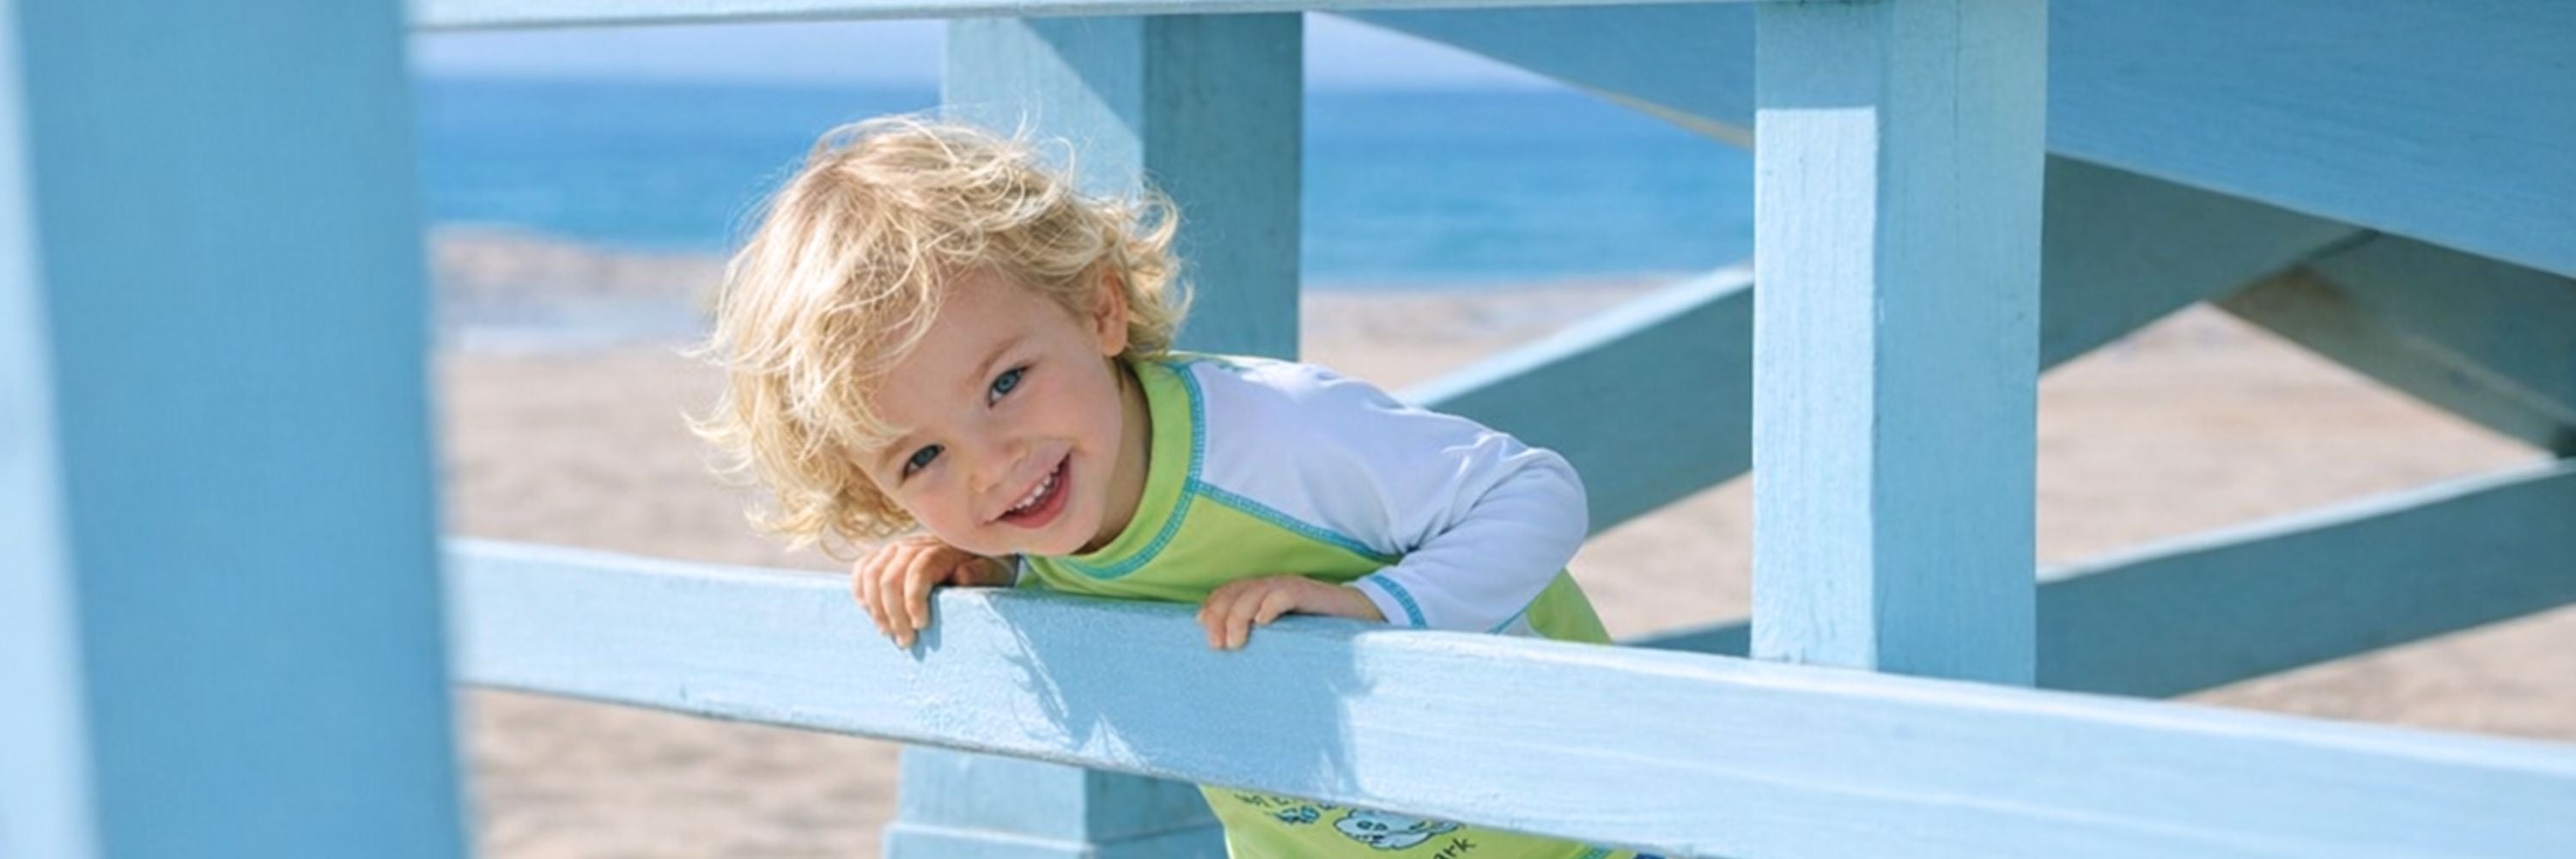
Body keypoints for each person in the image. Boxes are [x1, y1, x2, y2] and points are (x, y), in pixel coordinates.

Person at [693, 116, 1647, 859]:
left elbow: (1534, 492)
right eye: (921, 460)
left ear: (1099, 308)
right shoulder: (1033, 521)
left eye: (1006, 383)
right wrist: (986, 570)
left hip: (1581, 827)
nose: (992, 461)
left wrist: (1378, 608)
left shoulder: (1277, 436)